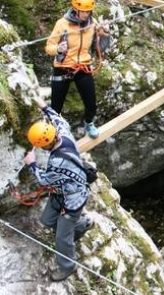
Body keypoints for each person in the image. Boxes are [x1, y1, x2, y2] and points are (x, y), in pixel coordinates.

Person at [23, 96, 93, 281]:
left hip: (73, 202)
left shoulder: (57, 162)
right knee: (47, 220)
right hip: (62, 193)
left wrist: (32, 164)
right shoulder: (64, 133)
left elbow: (45, 181)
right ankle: (82, 225)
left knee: (62, 238)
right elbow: (58, 119)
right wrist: (44, 106)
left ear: (45, 144)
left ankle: (67, 266)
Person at [45, 0, 110, 139]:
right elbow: (48, 47)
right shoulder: (62, 24)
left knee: (91, 104)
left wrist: (105, 34)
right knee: (55, 107)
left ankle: (89, 123)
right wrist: (58, 49)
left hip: (83, 67)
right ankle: (52, 132)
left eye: (88, 11)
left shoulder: (92, 24)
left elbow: (100, 48)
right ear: (75, 9)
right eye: (83, 11)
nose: (86, 14)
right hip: (63, 68)